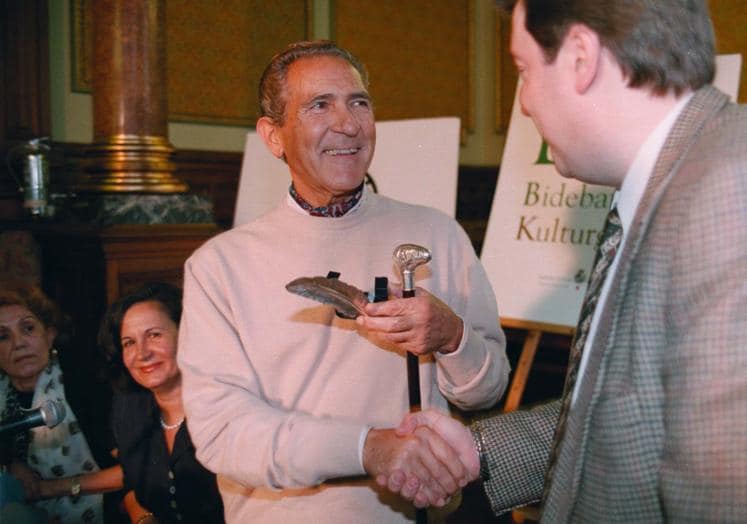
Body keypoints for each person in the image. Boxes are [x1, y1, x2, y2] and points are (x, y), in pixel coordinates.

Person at [388, 0, 747, 522]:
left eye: (523, 70)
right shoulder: (682, 180)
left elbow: (719, 496)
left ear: (581, 57)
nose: (526, 103)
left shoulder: (726, 194)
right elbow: (637, 411)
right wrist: (480, 452)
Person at [177, 40, 510, 523]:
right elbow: (223, 433)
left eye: (359, 102)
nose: (348, 124)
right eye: (319, 105)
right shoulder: (220, 267)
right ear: (273, 136)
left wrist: (453, 337)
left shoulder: (437, 233)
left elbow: (487, 391)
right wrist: (368, 448)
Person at [99, 282, 224, 524]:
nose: (142, 353)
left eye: (154, 335)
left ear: (186, 335)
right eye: (129, 343)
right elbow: (130, 484)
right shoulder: (129, 407)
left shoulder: (223, 404)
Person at [0, 281, 123, 523]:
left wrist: (48, 488)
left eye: (28, 329)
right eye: (3, 336)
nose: (19, 343)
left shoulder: (86, 386)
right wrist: (11, 463)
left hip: (98, 510)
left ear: (50, 334)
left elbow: (131, 470)